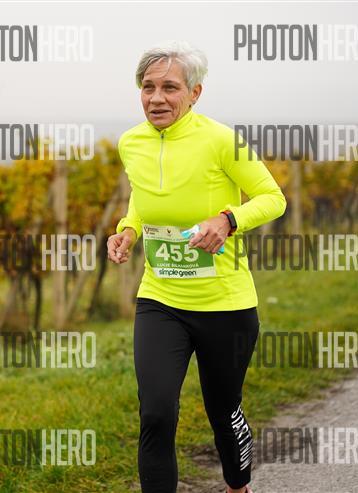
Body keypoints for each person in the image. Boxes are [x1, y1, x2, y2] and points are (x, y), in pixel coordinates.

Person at [106, 41, 286, 493]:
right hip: (161, 298)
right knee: (156, 413)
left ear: (195, 93)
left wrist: (228, 220)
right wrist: (128, 229)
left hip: (225, 304)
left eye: (170, 87)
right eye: (148, 87)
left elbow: (273, 199)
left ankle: (238, 486)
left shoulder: (222, 140)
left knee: (223, 410)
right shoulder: (131, 142)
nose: (156, 98)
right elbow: (144, 196)